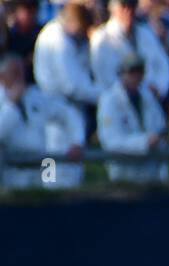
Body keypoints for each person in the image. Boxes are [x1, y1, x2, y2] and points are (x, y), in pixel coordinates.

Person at [0, 51, 84, 188]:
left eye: (22, 72)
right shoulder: (3, 102)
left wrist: (77, 141)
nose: (20, 77)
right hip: (13, 169)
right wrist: (11, 105)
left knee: (47, 199)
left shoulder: (35, 96)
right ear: (2, 77)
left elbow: (68, 113)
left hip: (43, 164)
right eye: (15, 73)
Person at [96, 52, 168, 182]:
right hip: (124, 174)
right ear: (121, 73)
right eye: (131, 72)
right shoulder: (109, 100)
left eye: (140, 72)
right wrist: (145, 142)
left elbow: (160, 127)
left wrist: (158, 139)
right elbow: (111, 142)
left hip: (151, 173)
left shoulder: (148, 97)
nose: (136, 76)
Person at [91, 0, 169, 105]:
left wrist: (160, 87)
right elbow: (104, 78)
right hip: (119, 104)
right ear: (112, 8)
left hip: (151, 99)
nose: (128, 10)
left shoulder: (146, 33)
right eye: (123, 6)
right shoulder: (102, 38)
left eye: (132, 5)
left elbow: (163, 65)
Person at [33, 2, 102, 123]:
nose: (83, 34)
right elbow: (71, 86)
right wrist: (104, 96)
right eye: (82, 29)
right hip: (57, 104)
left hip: (72, 104)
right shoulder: (57, 39)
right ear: (73, 23)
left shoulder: (71, 37)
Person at [2, 0, 40, 81]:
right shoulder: (9, 35)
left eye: (33, 11)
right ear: (17, 11)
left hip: (35, 83)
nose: (30, 15)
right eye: (26, 10)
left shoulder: (41, 34)